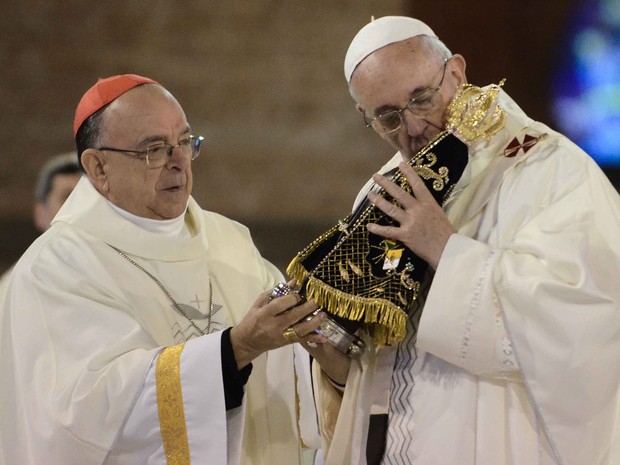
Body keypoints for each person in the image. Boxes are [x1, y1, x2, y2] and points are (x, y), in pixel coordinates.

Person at [308, 16, 620, 465]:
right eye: (387, 117)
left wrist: (446, 250)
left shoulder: (551, 169)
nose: (412, 129)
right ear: (364, 115)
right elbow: (378, 365)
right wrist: (335, 362)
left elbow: (585, 322)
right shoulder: (381, 193)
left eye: (422, 99)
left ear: (456, 73)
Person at [0, 74, 333, 465]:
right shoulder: (57, 267)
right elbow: (83, 414)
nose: (178, 162)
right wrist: (235, 348)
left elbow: (297, 377)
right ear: (98, 168)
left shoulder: (231, 243)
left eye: (185, 143)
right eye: (154, 149)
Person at [0, 152, 81, 298]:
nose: (79, 208)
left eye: (84, 198)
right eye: (67, 198)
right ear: (40, 214)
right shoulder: (12, 291)